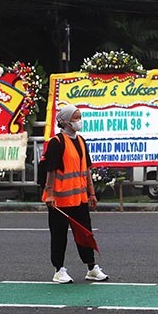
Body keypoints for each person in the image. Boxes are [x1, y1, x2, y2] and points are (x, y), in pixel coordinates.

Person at [41, 104, 108, 284]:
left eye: (79, 117)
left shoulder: (81, 141)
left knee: (85, 233)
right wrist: (49, 194)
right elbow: (51, 171)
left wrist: (91, 193)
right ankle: (59, 270)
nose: (79, 121)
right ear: (64, 121)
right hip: (60, 200)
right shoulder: (56, 142)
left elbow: (86, 169)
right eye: (75, 117)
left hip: (79, 198)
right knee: (59, 235)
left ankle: (91, 268)